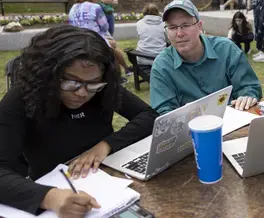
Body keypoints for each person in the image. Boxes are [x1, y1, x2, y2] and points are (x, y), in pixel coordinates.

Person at [0, 26, 158, 216]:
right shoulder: (20, 99)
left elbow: (148, 116)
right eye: (71, 82)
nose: (82, 93)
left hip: (106, 179)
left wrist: (106, 145)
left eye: (93, 84)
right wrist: (50, 197)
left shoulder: (103, 88)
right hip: (51, 183)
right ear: (47, 76)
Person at [150, 0, 262, 114]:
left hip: (232, 122)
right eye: (172, 27)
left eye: (185, 25)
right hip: (190, 129)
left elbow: (249, 86)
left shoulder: (226, 49)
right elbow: (163, 111)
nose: (179, 33)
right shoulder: (162, 66)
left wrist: (247, 96)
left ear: (199, 26)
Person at [68, 0, 131, 85]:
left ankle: (124, 71)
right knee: (112, 50)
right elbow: (105, 27)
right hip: (95, 40)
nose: (98, 0)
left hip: (78, 41)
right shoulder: (95, 7)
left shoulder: (73, 8)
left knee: (112, 45)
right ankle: (118, 77)